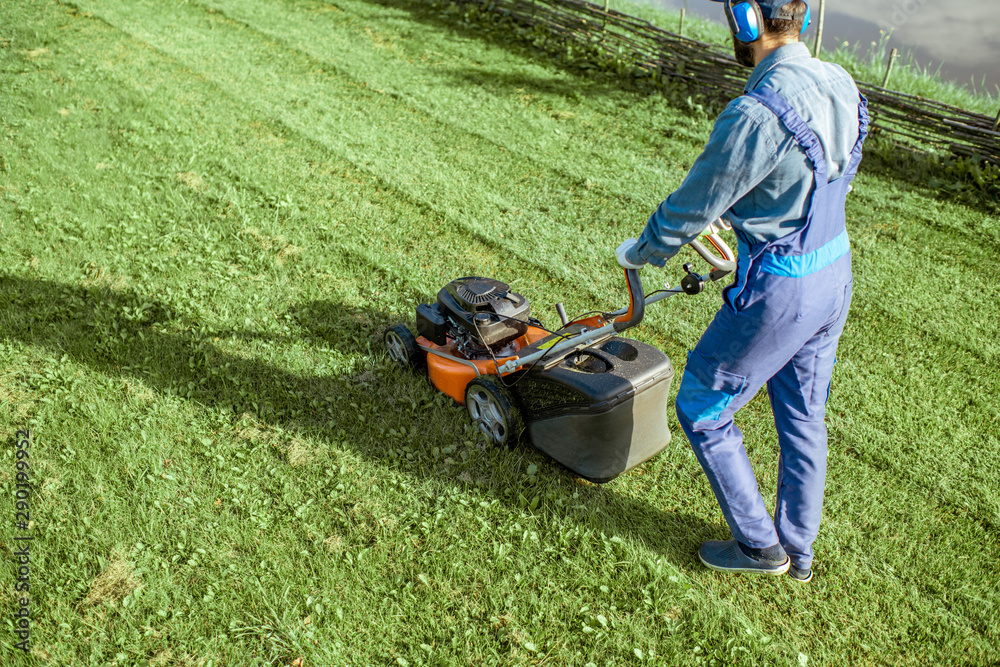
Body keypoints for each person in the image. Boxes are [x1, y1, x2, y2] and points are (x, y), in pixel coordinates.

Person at [615, 0, 867, 583]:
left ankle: (760, 547)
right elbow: (812, 178)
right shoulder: (841, 83)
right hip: (834, 273)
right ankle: (799, 553)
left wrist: (644, 250)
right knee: (804, 414)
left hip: (782, 291)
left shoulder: (755, 113)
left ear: (746, 22)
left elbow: (691, 207)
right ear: (800, 20)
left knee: (702, 404)